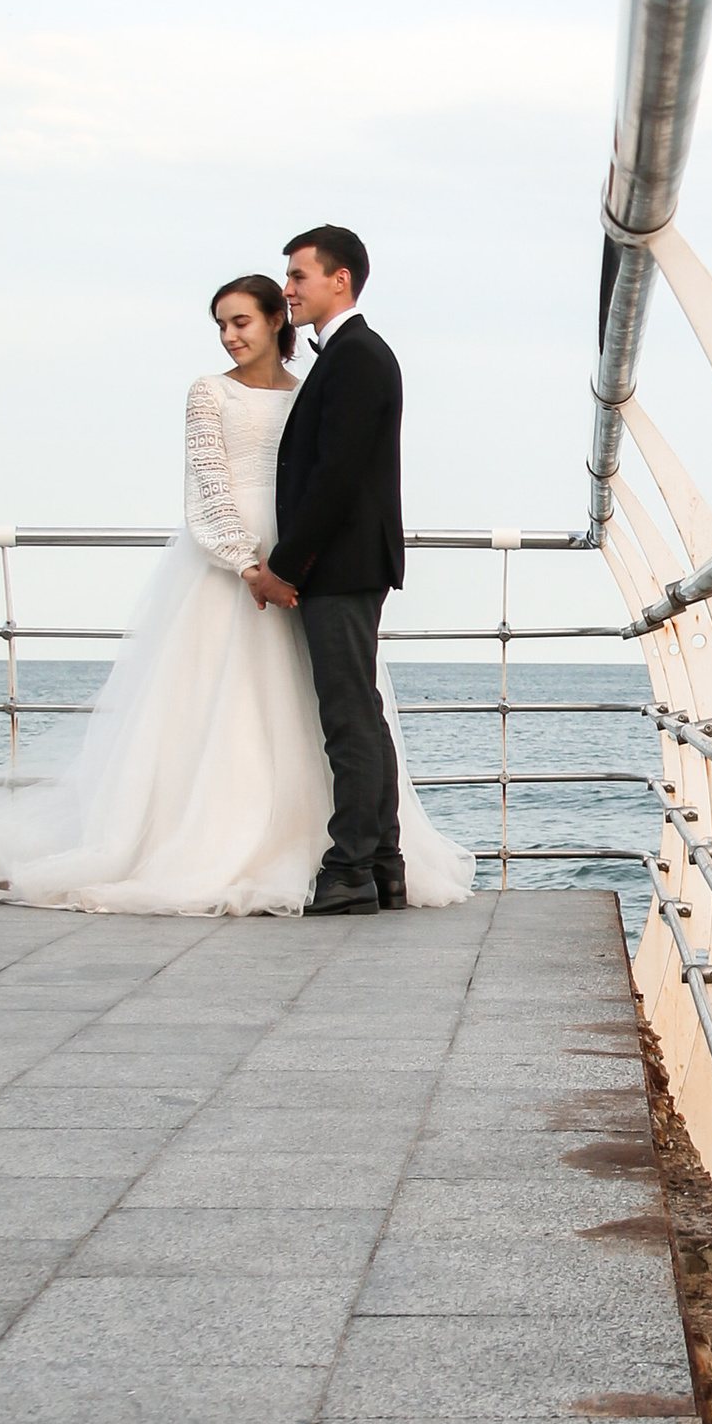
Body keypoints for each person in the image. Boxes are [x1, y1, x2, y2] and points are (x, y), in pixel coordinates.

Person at [0, 264, 472, 917]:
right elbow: (208, 488)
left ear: (277, 319)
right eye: (220, 324)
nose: (228, 336)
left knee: (324, 711)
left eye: (241, 321)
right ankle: (227, 839)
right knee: (226, 710)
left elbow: (329, 472)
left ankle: (340, 849)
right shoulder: (207, 393)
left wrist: (293, 565)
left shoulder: (312, 388)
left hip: (304, 565)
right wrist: (249, 565)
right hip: (244, 571)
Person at [258, 225, 413, 917]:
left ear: (339, 280)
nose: (287, 289)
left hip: (342, 564)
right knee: (362, 716)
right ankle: (382, 864)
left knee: (347, 720)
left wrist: (284, 567)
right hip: (351, 561)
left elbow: (336, 477)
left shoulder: (356, 356)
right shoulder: (352, 354)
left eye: (298, 276)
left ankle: (350, 866)